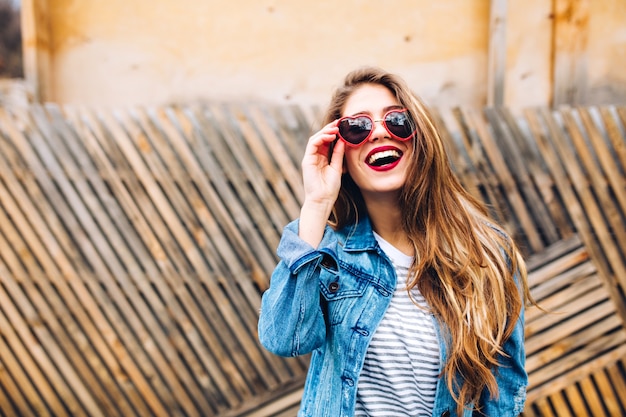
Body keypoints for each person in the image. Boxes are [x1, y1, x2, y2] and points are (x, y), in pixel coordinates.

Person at [258, 67, 530, 417]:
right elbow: (285, 338)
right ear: (339, 153)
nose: (379, 133)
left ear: (419, 137)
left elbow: (504, 395)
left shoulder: (488, 253)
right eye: (358, 127)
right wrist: (316, 204)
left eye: (397, 120)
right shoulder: (326, 254)